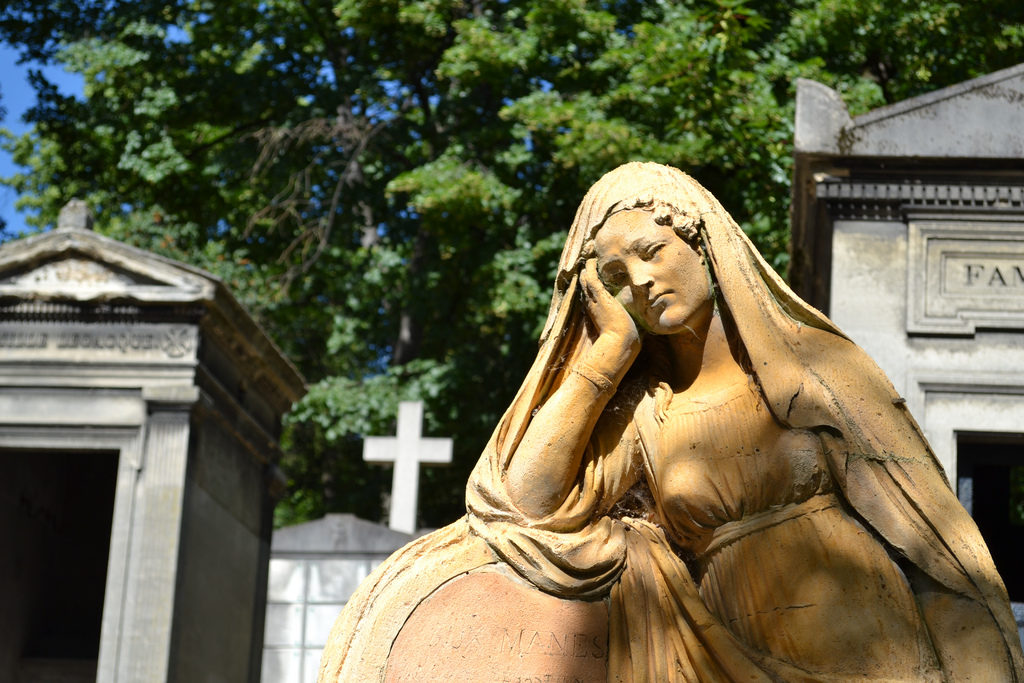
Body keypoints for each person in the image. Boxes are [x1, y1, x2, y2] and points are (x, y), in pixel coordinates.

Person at [320, 162, 1024, 682]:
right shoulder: (646, 412)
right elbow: (520, 504)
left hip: (869, 649)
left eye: (652, 252)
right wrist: (606, 357)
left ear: (703, 245)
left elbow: (932, 548)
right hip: (727, 655)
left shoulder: (816, 369)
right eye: (616, 276)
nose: (641, 282)